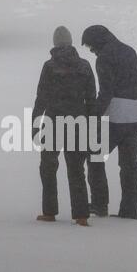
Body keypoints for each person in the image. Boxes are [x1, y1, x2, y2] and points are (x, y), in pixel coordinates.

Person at [32, 26, 97, 227]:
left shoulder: (49, 67)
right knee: (76, 169)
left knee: (48, 168)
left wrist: (35, 124)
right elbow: (91, 99)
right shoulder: (85, 66)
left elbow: (41, 97)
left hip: (53, 122)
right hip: (78, 123)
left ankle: (49, 212)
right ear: (71, 43)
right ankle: (81, 215)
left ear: (55, 44)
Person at [82, 25, 137, 220]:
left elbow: (106, 92)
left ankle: (100, 204)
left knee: (94, 155)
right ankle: (130, 210)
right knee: (129, 164)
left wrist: (92, 115)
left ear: (98, 43)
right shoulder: (129, 50)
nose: (92, 52)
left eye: (91, 47)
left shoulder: (104, 58)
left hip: (117, 117)